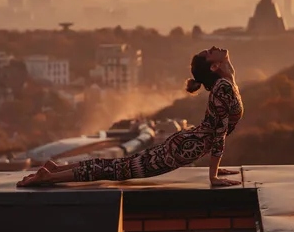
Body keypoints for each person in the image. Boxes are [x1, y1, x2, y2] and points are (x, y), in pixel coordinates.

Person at [16, 46, 244, 188]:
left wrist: (216, 167)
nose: (214, 47)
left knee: (119, 165)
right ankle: (49, 177)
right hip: (185, 148)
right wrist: (213, 176)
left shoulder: (226, 80)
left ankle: (56, 169)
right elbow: (219, 133)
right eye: (210, 52)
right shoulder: (223, 87)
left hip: (187, 144)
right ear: (214, 66)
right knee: (118, 170)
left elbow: (228, 70)